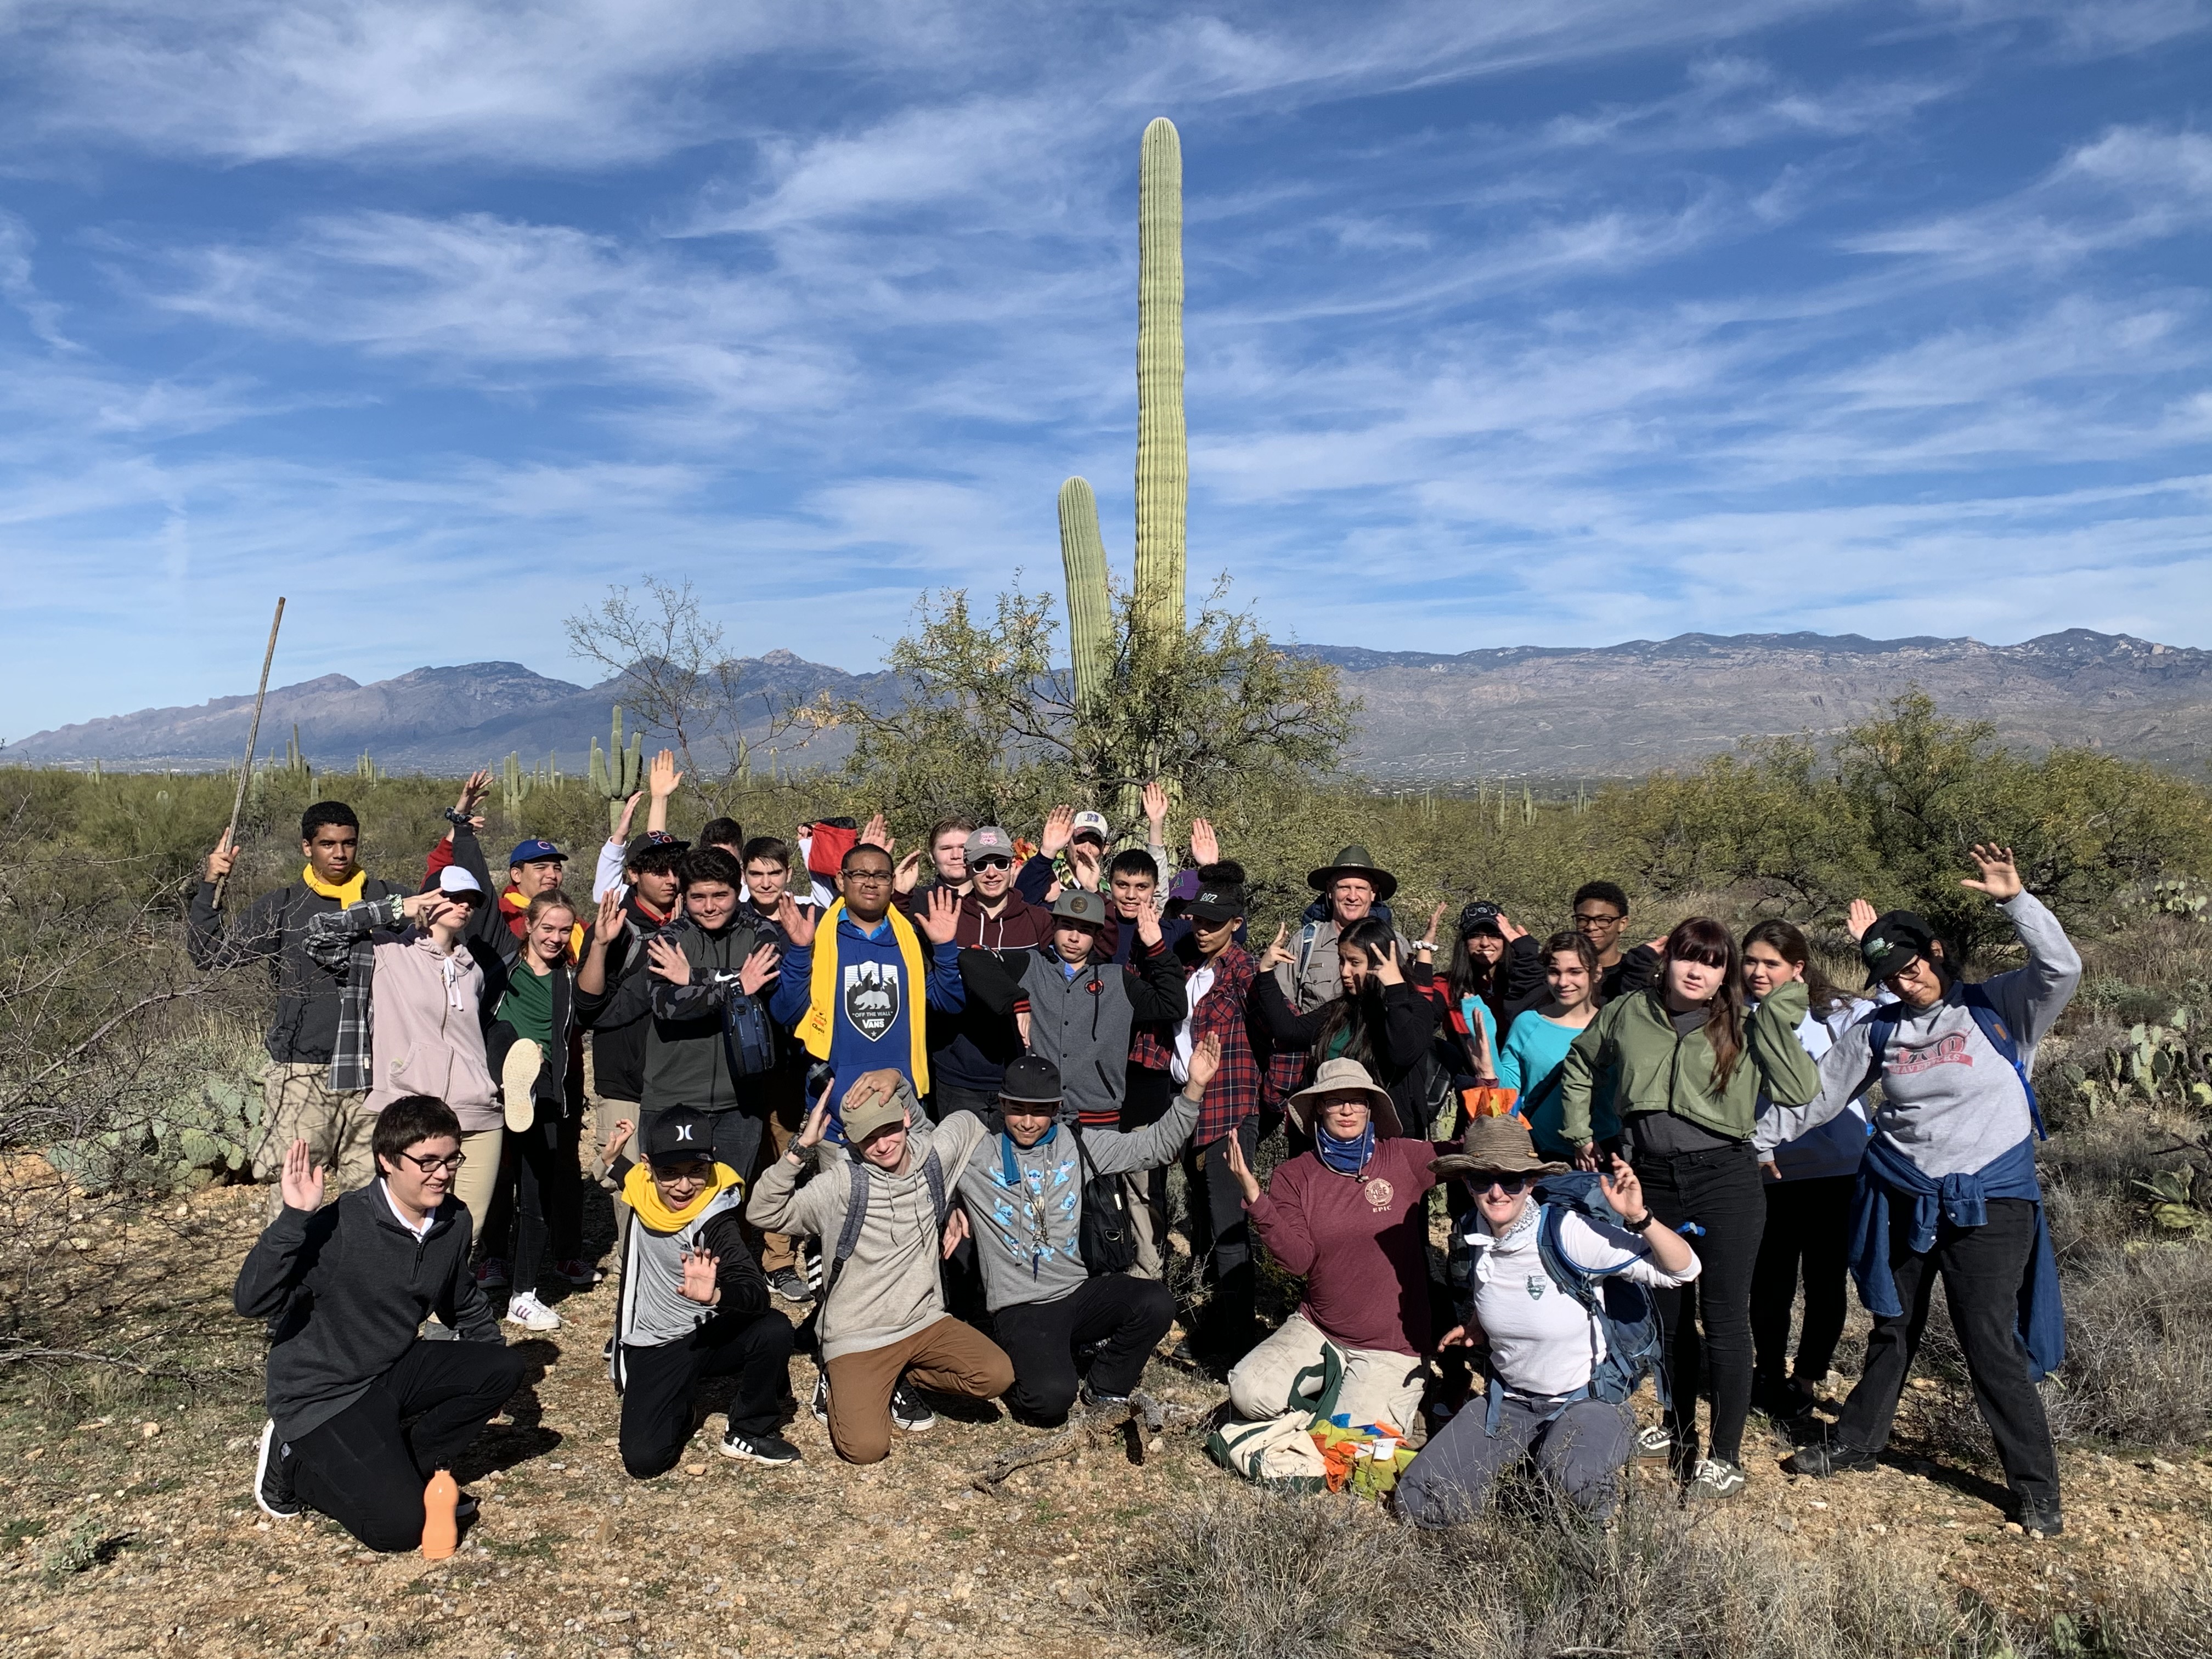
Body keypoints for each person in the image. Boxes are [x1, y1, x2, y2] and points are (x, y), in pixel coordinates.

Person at [1766, 847, 2078, 1537]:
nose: (1908, 985)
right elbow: (1815, 1100)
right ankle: (1857, 1442)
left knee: (1986, 1338)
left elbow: (2062, 969)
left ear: (1938, 953)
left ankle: (2035, 1488)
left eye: (1914, 968)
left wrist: (2015, 902)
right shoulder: (1879, 1031)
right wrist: (1753, 1143)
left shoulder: (2000, 1008)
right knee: (1894, 1324)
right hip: (1904, 1192)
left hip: (1991, 1199)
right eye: (1892, 977)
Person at [1556, 917, 1821, 1500]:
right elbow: (1581, 1062)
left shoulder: (1748, 1022)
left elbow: (1801, 1090)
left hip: (1725, 1176)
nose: (1699, 971)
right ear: (1668, 959)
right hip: (1651, 1179)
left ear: (1725, 972)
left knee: (1725, 1319)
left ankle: (1723, 1456)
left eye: (1714, 962)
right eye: (1688, 957)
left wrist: (1782, 1007)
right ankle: (1676, 1428)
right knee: (1668, 1318)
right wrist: (1581, 1130)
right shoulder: (1629, 1011)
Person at [233, 1095, 527, 1553]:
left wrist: (490, 1358)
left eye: (452, 1160)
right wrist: (294, 1220)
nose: (443, 1173)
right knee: (400, 1530)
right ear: (387, 1161)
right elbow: (253, 1302)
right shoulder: (340, 1226)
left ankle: (411, 1471)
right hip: (322, 1392)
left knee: (504, 1368)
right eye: (427, 1161)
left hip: (390, 1368)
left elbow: (461, 1300)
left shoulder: (453, 1221)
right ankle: (294, 1464)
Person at [1394, 1118, 1700, 1525]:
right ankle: (1530, 1468)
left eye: (1512, 1180)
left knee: (1576, 1491)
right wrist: (1477, 1325)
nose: (1497, 1192)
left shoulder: (1567, 1233)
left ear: (1532, 1182)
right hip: (1510, 1401)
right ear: (1467, 1183)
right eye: (1483, 1180)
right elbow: (1506, 1297)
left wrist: (1640, 1218)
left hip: (1586, 1399)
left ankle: (1576, 1474)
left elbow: (1682, 1271)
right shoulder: (1473, 1235)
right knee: (1417, 1500)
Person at [930, 1048, 1214, 1423]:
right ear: (1002, 1105)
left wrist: (1193, 1088)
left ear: (1056, 1109)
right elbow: (921, 1152)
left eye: (1040, 1111)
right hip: (1021, 1307)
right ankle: (1027, 1361)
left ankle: (1106, 1385)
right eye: (1017, 1109)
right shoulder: (978, 1155)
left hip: (1077, 1292)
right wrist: (951, 1207)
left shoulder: (1075, 1145)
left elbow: (1153, 1147)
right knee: (1049, 1403)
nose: (1028, 1122)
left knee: (1156, 1301)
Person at [746, 1071, 1014, 1464]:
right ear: (852, 1139)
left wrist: (957, 1199)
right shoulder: (840, 1184)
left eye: (889, 1129)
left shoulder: (934, 1158)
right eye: (868, 1137)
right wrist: (801, 1148)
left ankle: (901, 1378)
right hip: (859, 1332)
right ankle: (838, 1378)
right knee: (866, 1450)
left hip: (924, 1321)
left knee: (996, 1375)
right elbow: (763, 1211)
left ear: (906, 1119)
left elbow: (969, 1124)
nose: (883, 1144)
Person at [1218, 1058, 1455, 1435]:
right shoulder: (1295, 1175)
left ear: (1370, 1107)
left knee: (1349, 1443)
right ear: (1318, 1109)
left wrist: (1489, 1088)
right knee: (1248, 1392)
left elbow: (1467, 1153)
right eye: (1335, 1100)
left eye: (1357, 1100)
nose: (1347, 1109)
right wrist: (1254, 1195)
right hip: (1319, 1330)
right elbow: (1297, 1261)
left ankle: (1344, 1403)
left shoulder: (1401, 1157)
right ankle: (1329, 1398)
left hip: (1391, 1347)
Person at [189, 801, 409, 1195]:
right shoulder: (284, 905)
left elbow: (454, 917)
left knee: (374, 1197)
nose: (339, 853)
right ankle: (290, 1260)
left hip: (375, 1072)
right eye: (328, 844)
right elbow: (210, 954)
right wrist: (211, 885)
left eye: (348, 843)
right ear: (307, 847)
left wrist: (458, 836)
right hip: (302, 1072)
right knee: (295, 1193)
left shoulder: (389, 900)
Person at [303, 864, 509, 1243]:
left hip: (476, 1110)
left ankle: (445, 1304)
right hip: (407, 1110)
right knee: (400, 1232)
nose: (463, 906)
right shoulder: (385, 950)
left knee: (466, 1233)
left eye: (470, 901)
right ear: (427, 897)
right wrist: (396, 909)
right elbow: (317, 934)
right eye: (452, 896)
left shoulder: (472, 970)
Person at [597, 1106, 801, 1474]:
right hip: (659, 1340)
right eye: (669, 1173)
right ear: (648, 1165)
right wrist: (611, 1159)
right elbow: (627, 1177)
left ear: (712, 1162)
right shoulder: (643, 1188)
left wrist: (717, 1296)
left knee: (774, 1328)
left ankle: (748, 1430)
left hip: (710, 1331)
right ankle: (683, 1405)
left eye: (697, 1171)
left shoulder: (715, 1217)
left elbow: (755, 1292)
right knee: (645, 1462)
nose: (685, 1186)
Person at [579, 847, 785, 1182]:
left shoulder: (760, 932)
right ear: (685, 896)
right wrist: (736, 984)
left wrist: (691, 978)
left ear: (738, 891)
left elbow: (763, 985)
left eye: (721, 895)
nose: (709, 906)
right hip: (672, 1097)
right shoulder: (669, 938)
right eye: (697, 897)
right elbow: (667, 1004)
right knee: (668, 1203)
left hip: (740, 1103)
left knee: (729, 1205)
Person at [1741, 919, 1874, 1420]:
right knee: (1769, 1281)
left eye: (1771, 963)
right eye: (1750, 961)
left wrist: (1872, 945)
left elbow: (1890, 1015)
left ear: (1798, 968)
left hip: (1836, 1170)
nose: (1758, 972)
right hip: (1766, 1170)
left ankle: (1808, 1376)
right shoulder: (1734, 1014)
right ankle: (1768, 1372)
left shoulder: (1836, 1014)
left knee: (1825, 1281)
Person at [1132, 868, 1265, 1351]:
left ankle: (1238, 1339)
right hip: (1186, 1107)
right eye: (1197, 919)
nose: (1203, 928)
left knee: (1229, 1224)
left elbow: (1282, 1042)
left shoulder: (1247, 972)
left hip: (1229, 1107)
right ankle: (1214, 1322)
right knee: (1205, 1219)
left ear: (1236, 923)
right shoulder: (1186, 963)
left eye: (1214, 921)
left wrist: (1266, 1104)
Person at [766, 844, 965, 1143]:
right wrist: (798, 951)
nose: (871, 883)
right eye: (860, 874)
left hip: (902, 1108)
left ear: (892, 883)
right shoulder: (817, 936)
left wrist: (945, 949)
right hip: (837, 1114)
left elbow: (949, 1003)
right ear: (840, 880)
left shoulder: (910, 940)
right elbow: (786, 1012)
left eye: (881, 876)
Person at [959, 888, 1188, 1132]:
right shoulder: (1031, 965)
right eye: (1067, 926)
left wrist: (1156, 947)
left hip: (1098, 1123)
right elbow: (972, 959)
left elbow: (1173, 1005)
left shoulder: (1117, 979)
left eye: (1085, 930)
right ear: (1054, 924)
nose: (1074, 937)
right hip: (1037, 1117)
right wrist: (1017, 1000)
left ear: (1098, 935)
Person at [1251, 916, 1449, 1139]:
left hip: (1390, 1141)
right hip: (1331, 1137)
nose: (1344, 972)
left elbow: (1402, 1054)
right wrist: (1266, 973)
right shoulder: (1341, 1010)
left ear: (1379, 963)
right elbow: (1290, 1031)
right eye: (1341, 960)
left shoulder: (1414, 1007)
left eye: (1355, 963)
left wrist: (1395, 991)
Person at [733, 836, 822, 1303]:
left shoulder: (809, 920)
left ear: (790, 874)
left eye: (774, 873)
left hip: (794, 1060)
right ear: (745, 876)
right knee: (746, 1157)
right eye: (756, 874)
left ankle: (779, 1258)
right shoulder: (734, 922)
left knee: (785, 1156)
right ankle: (738, 1254)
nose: (766, 882)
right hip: (742, 1059)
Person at [922, 824, 1055, 1122]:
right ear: (968, 869)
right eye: (981, 864)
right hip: (959, 1073)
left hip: (1021, 1071)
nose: (991, 872)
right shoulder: (947, 918)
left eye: (1000, 863)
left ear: (1013, 866)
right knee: (961, 1166)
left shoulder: (1039, 920)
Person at [1495, 932, 1602, 1160]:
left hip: (1602, 1155)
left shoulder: (1613, 1027)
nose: (1563, 982)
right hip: (1539, 1155)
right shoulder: (1527, 1023)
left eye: (1575, 972)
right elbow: (1508, 1093)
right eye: (1555, 972)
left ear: (1596, 973)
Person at [1568, 881, 1660, 1003]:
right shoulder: (1560, 973)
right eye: (1582, 920)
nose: (1591, 927)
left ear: (1622, 924)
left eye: (1603, 920)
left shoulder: (1637, 972)